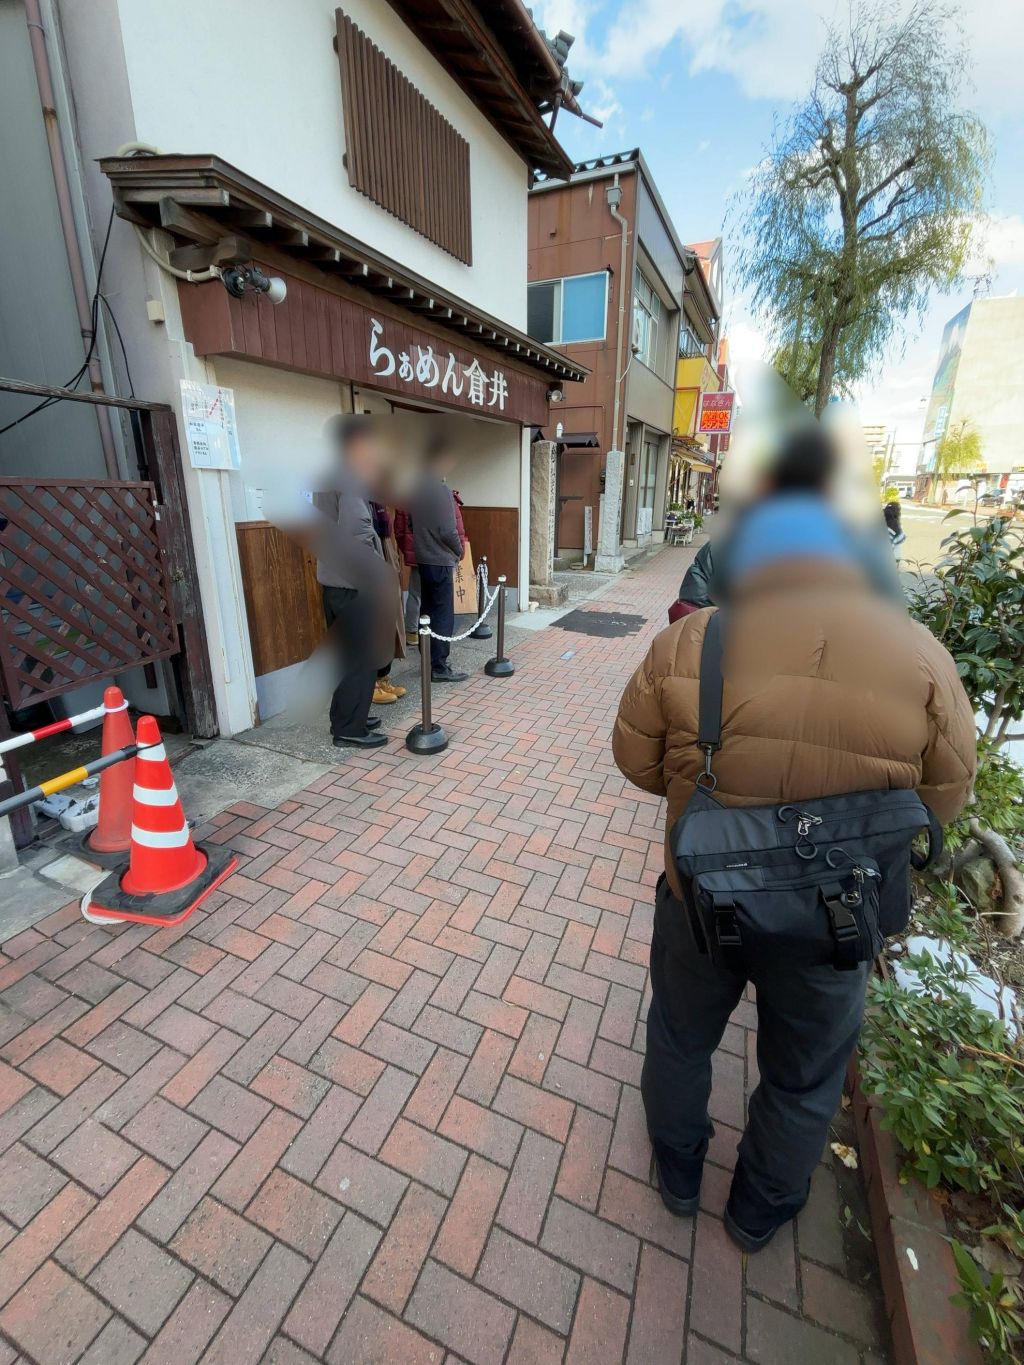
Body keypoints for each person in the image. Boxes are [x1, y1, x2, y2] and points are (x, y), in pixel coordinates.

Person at [613, 426, 975, 1253]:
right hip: (836, 915)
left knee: (679, 1037)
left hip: (702, 899)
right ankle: (758, 1209)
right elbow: (944, 799)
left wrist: (704, 779)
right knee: (805, 1074)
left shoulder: (693, 641)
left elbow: (635, 761)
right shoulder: (923, 658)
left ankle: (678, 1171)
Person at [313, 417, 394, 750]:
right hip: (353, 583)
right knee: (360, 659)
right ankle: (349, 729)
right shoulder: (349, 477)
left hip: (335, 579)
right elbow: (358, 529)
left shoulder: (329, 474)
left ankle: (347, 717)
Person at [409, 437, 468, 684]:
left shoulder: (415, 488)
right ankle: (439, 666)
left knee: (427, 611)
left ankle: (427, 659)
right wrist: (459, 550)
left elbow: (412, 525)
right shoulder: (441, 489)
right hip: (441, 559)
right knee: (443, 614)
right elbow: (447, 530)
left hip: (424, 558)